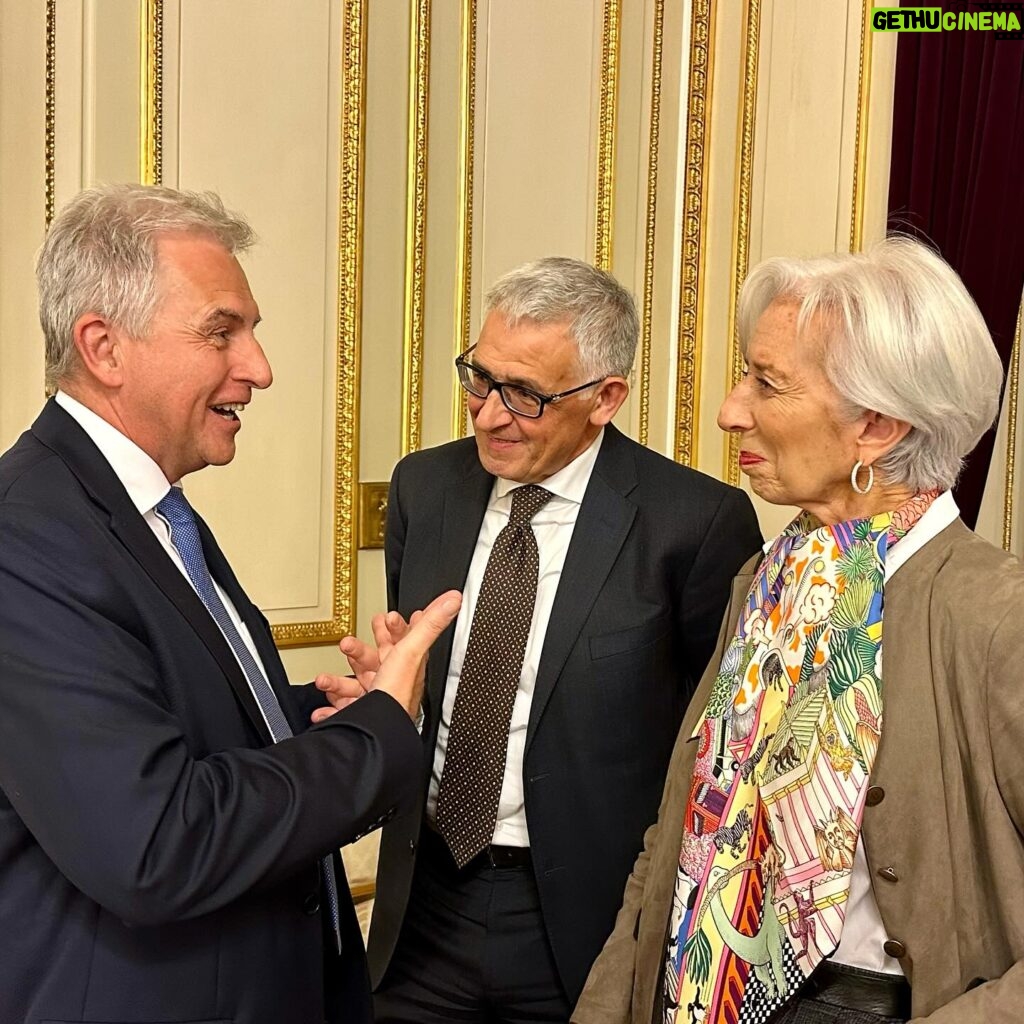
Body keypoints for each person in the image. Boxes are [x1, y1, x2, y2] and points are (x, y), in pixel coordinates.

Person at [0, 183, 461, 1024]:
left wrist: (317, 715)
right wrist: (378, 735)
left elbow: (157, 721)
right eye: (222, 332)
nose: (259, 367)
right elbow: (154, 841)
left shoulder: (149, 509)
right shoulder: (25, 538)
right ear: (104, 347)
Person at [573, 236, 1024, 1024]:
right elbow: (678, 835)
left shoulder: (996, 617)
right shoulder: (768, 581)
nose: (729, 410)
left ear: (877, 427)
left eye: (767, 383)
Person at [361, 256, 763, 1023]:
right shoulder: (425, 488)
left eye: (526, 396)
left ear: (605, 397)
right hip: (425, 906)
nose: (487, 415)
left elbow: (713, 752)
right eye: (479, 379)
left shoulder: (695, 524)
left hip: (583, 925)